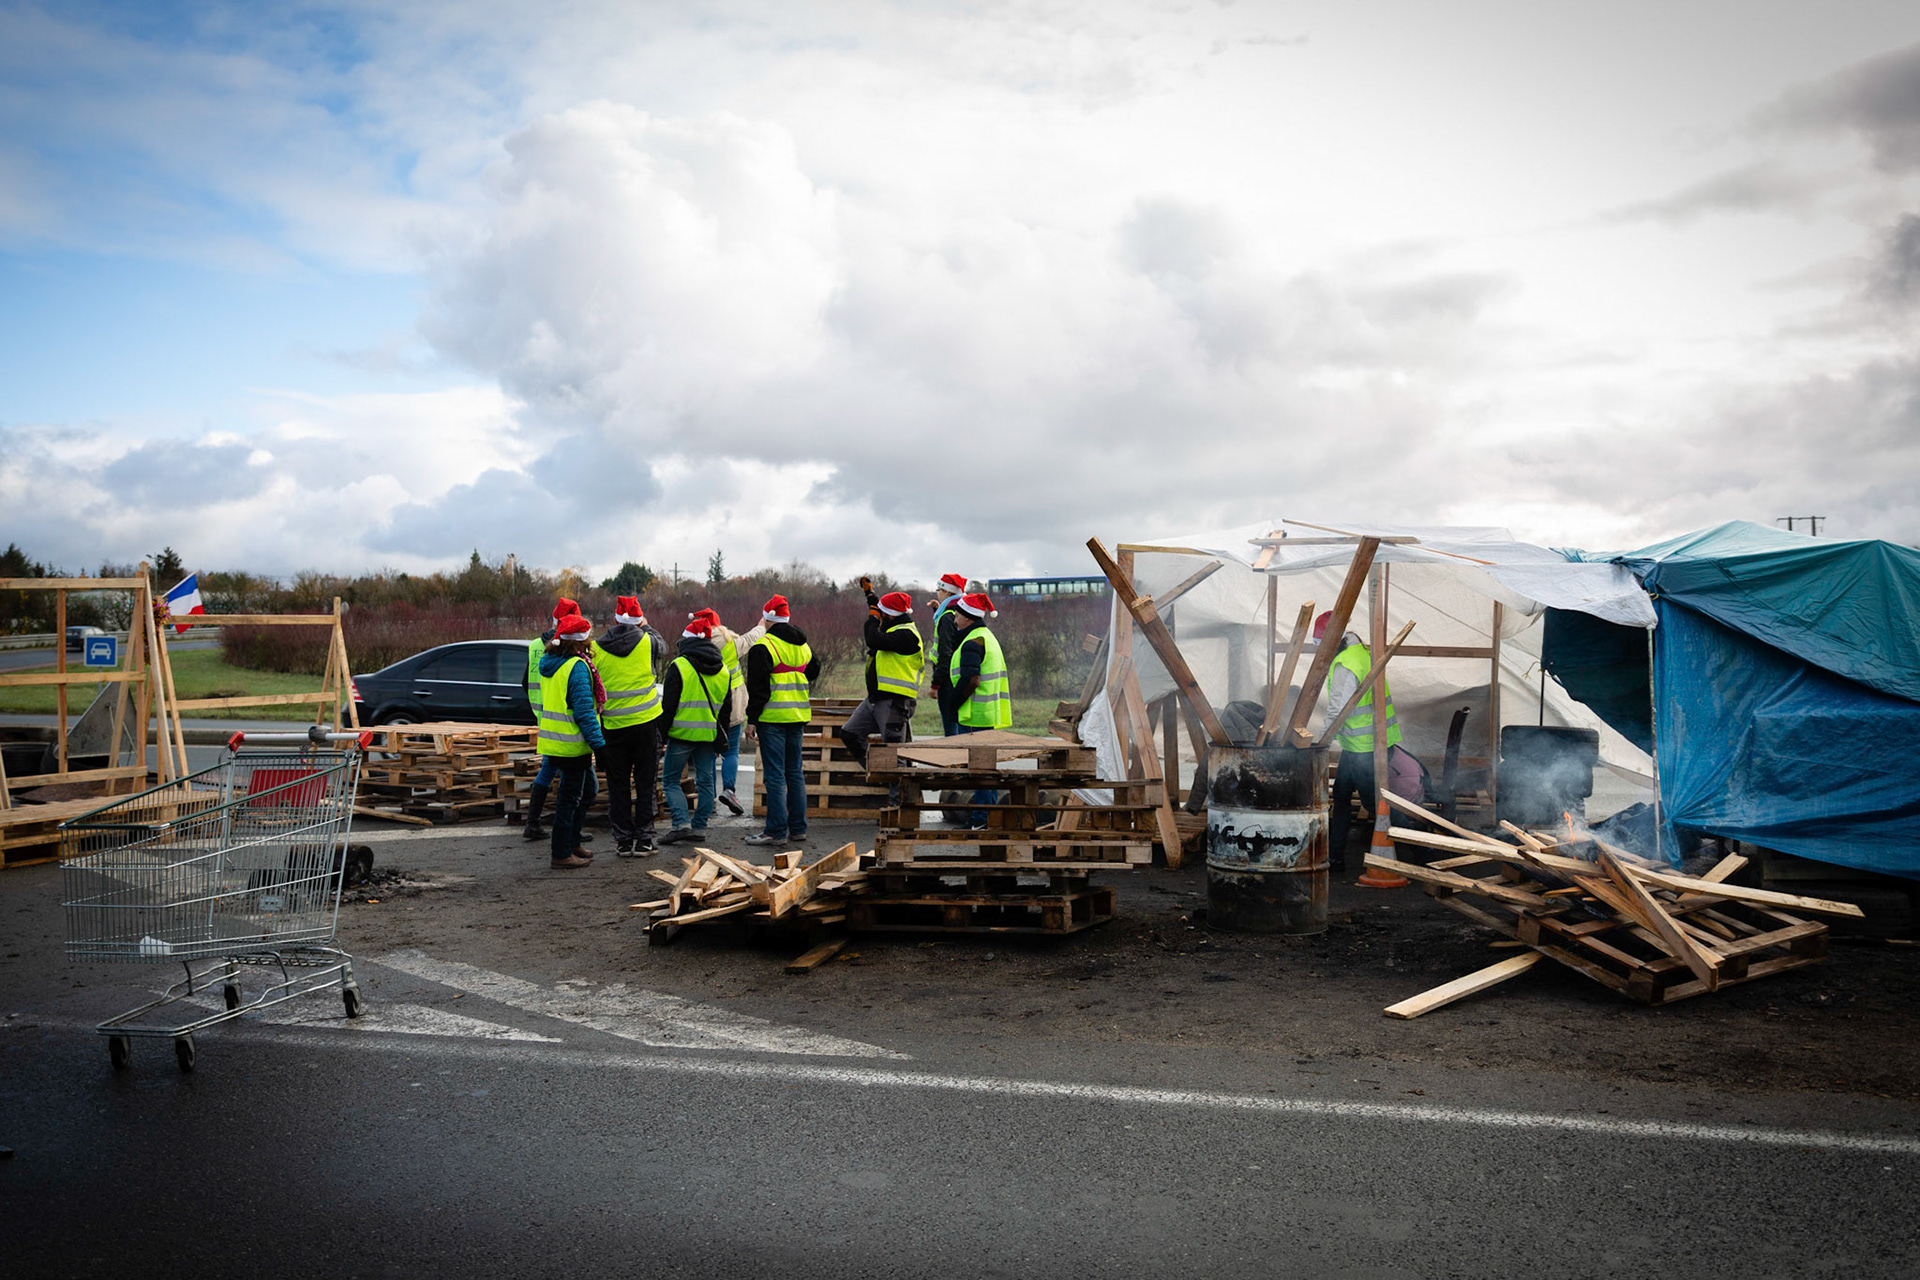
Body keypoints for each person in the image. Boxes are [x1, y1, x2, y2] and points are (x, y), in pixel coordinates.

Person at [1318, 610, 1401, 868]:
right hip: (1370, 743)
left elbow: (1337, 710)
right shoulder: (1363, 653)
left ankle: (1408, 851)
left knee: (1374, 804)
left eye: (1323, 648)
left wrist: (1318, 744)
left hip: (1363, 748)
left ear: (1334, 641)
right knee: (1342, 796)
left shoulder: (1345, 664)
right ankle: (1335, 856)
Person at [592, 595, 667, 856]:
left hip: (613, 727)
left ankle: (623, 840)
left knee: (618, 785)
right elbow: (664, 647)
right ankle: (645, 839)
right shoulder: (648, 642)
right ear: (639, 620)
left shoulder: (597, 648)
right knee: (646, 784)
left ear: (614, 618)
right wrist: (645, 626)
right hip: (646, 725)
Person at [744, 594, 820, 846]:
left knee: (774, 775)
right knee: (794, 773)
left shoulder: (763, 647)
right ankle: (798, 829)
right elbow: (813, 672)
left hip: (773, 718)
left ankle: (775, 831)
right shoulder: (803, 646)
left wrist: (751, 719)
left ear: (766, 619)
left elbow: (758, 689)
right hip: (797, 716)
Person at [535, 613, 607, 869]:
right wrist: (599, 745)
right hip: (571, 744)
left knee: (587, 792)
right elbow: (584, 711)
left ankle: (572, 842)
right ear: (581, 641)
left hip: (555, 741)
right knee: (570, 798)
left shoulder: (552, 661)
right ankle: (561, 853)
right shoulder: (576, 666)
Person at [658, 616, 734, 845]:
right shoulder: (724, 671)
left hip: (681, 735)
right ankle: (699, 827)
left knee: (670, 781)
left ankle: (681, 824)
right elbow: (725, 712)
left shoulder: (679, 666)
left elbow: (668, 706)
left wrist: (661, 736)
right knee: (706, 781)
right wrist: (722, 741)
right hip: (708, 736)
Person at [522, 597, 591, 845]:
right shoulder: (571, 650)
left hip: (545, 717)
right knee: (577, 780)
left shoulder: (534, 646)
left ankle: (535, 823)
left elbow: (525, 684)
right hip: (565, 721)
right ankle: (567, 833)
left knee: (550, 770)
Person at [838, 584, 922, 769]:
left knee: (894, 755)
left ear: (890, 615)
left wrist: (872, 618)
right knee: (850, 734)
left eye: (881, 614)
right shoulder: (893, 626)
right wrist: (870, 596)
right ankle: (877, 772)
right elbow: (882, 613)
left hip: (895, 701)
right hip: (876, 699)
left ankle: (897, 797)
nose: (879, 617)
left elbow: (873, 638)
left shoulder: (907, 635)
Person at [947, 592, 1010, 829]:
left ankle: (982, 820)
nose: (955, 619)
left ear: (969, 617)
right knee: (986, 770)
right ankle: (986, 817)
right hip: (986, 714)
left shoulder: (973, 642)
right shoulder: (985, 636)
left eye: (958, 614)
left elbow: (971, 679)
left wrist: (952, 703)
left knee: (980, 771)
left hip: (975, 715)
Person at [690, 607, 752, 817]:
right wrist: (764, 622)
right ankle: (729, 790)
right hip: (733, 703)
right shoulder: (731, 642)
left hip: (706, 705)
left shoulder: (693, 644)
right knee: (731, 751)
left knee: (706, 752)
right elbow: (753, 637)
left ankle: (708, 800)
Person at [925, 572, 971, 737]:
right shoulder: (961, 612)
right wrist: (938, 609)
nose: (937, 592)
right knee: (961, 724)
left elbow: (945, 653)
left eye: (939, 589)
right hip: (961, 675)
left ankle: (956, 760)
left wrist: (935, 685)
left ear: (948, 592)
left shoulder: (946, 617)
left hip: (947, 680)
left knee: (951, 727)